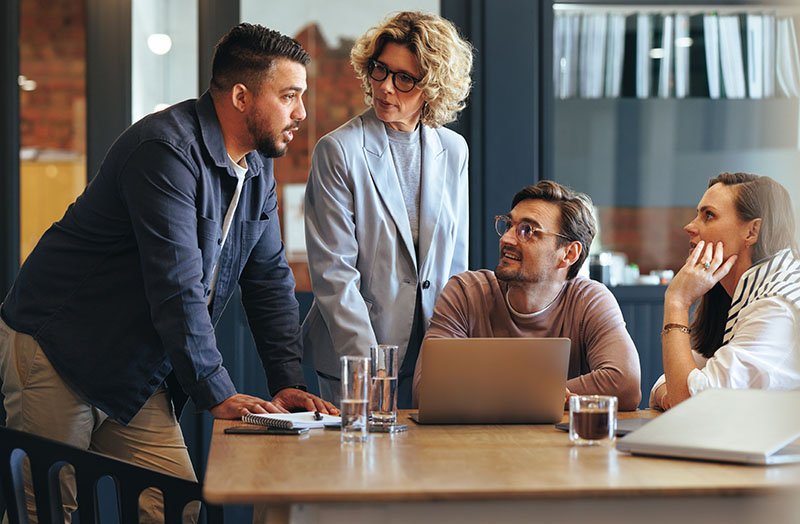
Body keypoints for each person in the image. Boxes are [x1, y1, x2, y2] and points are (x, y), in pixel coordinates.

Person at [0, 23, 335, 523]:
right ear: (242, 96)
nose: (301, 113)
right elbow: (176, 286)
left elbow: (267, 280)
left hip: (133, 364)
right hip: (58, 348)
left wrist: (286, 382)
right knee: (47, 509)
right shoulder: (165, 151)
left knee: (175, 506)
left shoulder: (256, 169)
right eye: (289, 96)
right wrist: (217, 391)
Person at [302, 12, 473, 408]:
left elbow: (455, 264)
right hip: (358, 353)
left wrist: (454, 351)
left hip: (434, 351)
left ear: (432, 87)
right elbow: (334, 275)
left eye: (404, 79)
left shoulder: (454, 150)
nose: (385, 88)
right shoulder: (338, 150)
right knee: (362, 467)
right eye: (380, 70)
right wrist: (369, 370)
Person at [412, 180, 642, 411]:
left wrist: (493, 396)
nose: (506, 239)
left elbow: (624, 385)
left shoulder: (589, 299)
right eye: (509, 225)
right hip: (478, 443)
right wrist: (544, 395)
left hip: (561, 444)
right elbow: (427, 391)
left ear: (568, 253)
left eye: (527, 230)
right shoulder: (465, 293)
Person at [651, 173, 800, 410]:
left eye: (708, 215)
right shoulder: (744, 293)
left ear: (752, 232)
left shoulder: (775, 307)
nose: (689, 227)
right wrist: (675, 392)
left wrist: (677, 301)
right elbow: (673, 381)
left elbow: (694, 407)